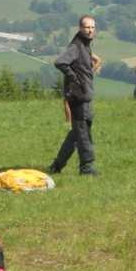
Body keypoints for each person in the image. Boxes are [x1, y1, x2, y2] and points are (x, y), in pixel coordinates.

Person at [50, 15, 98, 176]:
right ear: (80, 28)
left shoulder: (85, 45)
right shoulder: (76, 46)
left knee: (76, 134)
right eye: (87, 27)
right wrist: (73, 78)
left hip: (85, 95)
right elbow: (60, 62)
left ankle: (57, 165)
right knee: (83, 132)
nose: (90, 30)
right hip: (78, 97)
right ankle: (87, 167)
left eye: (92, 27)